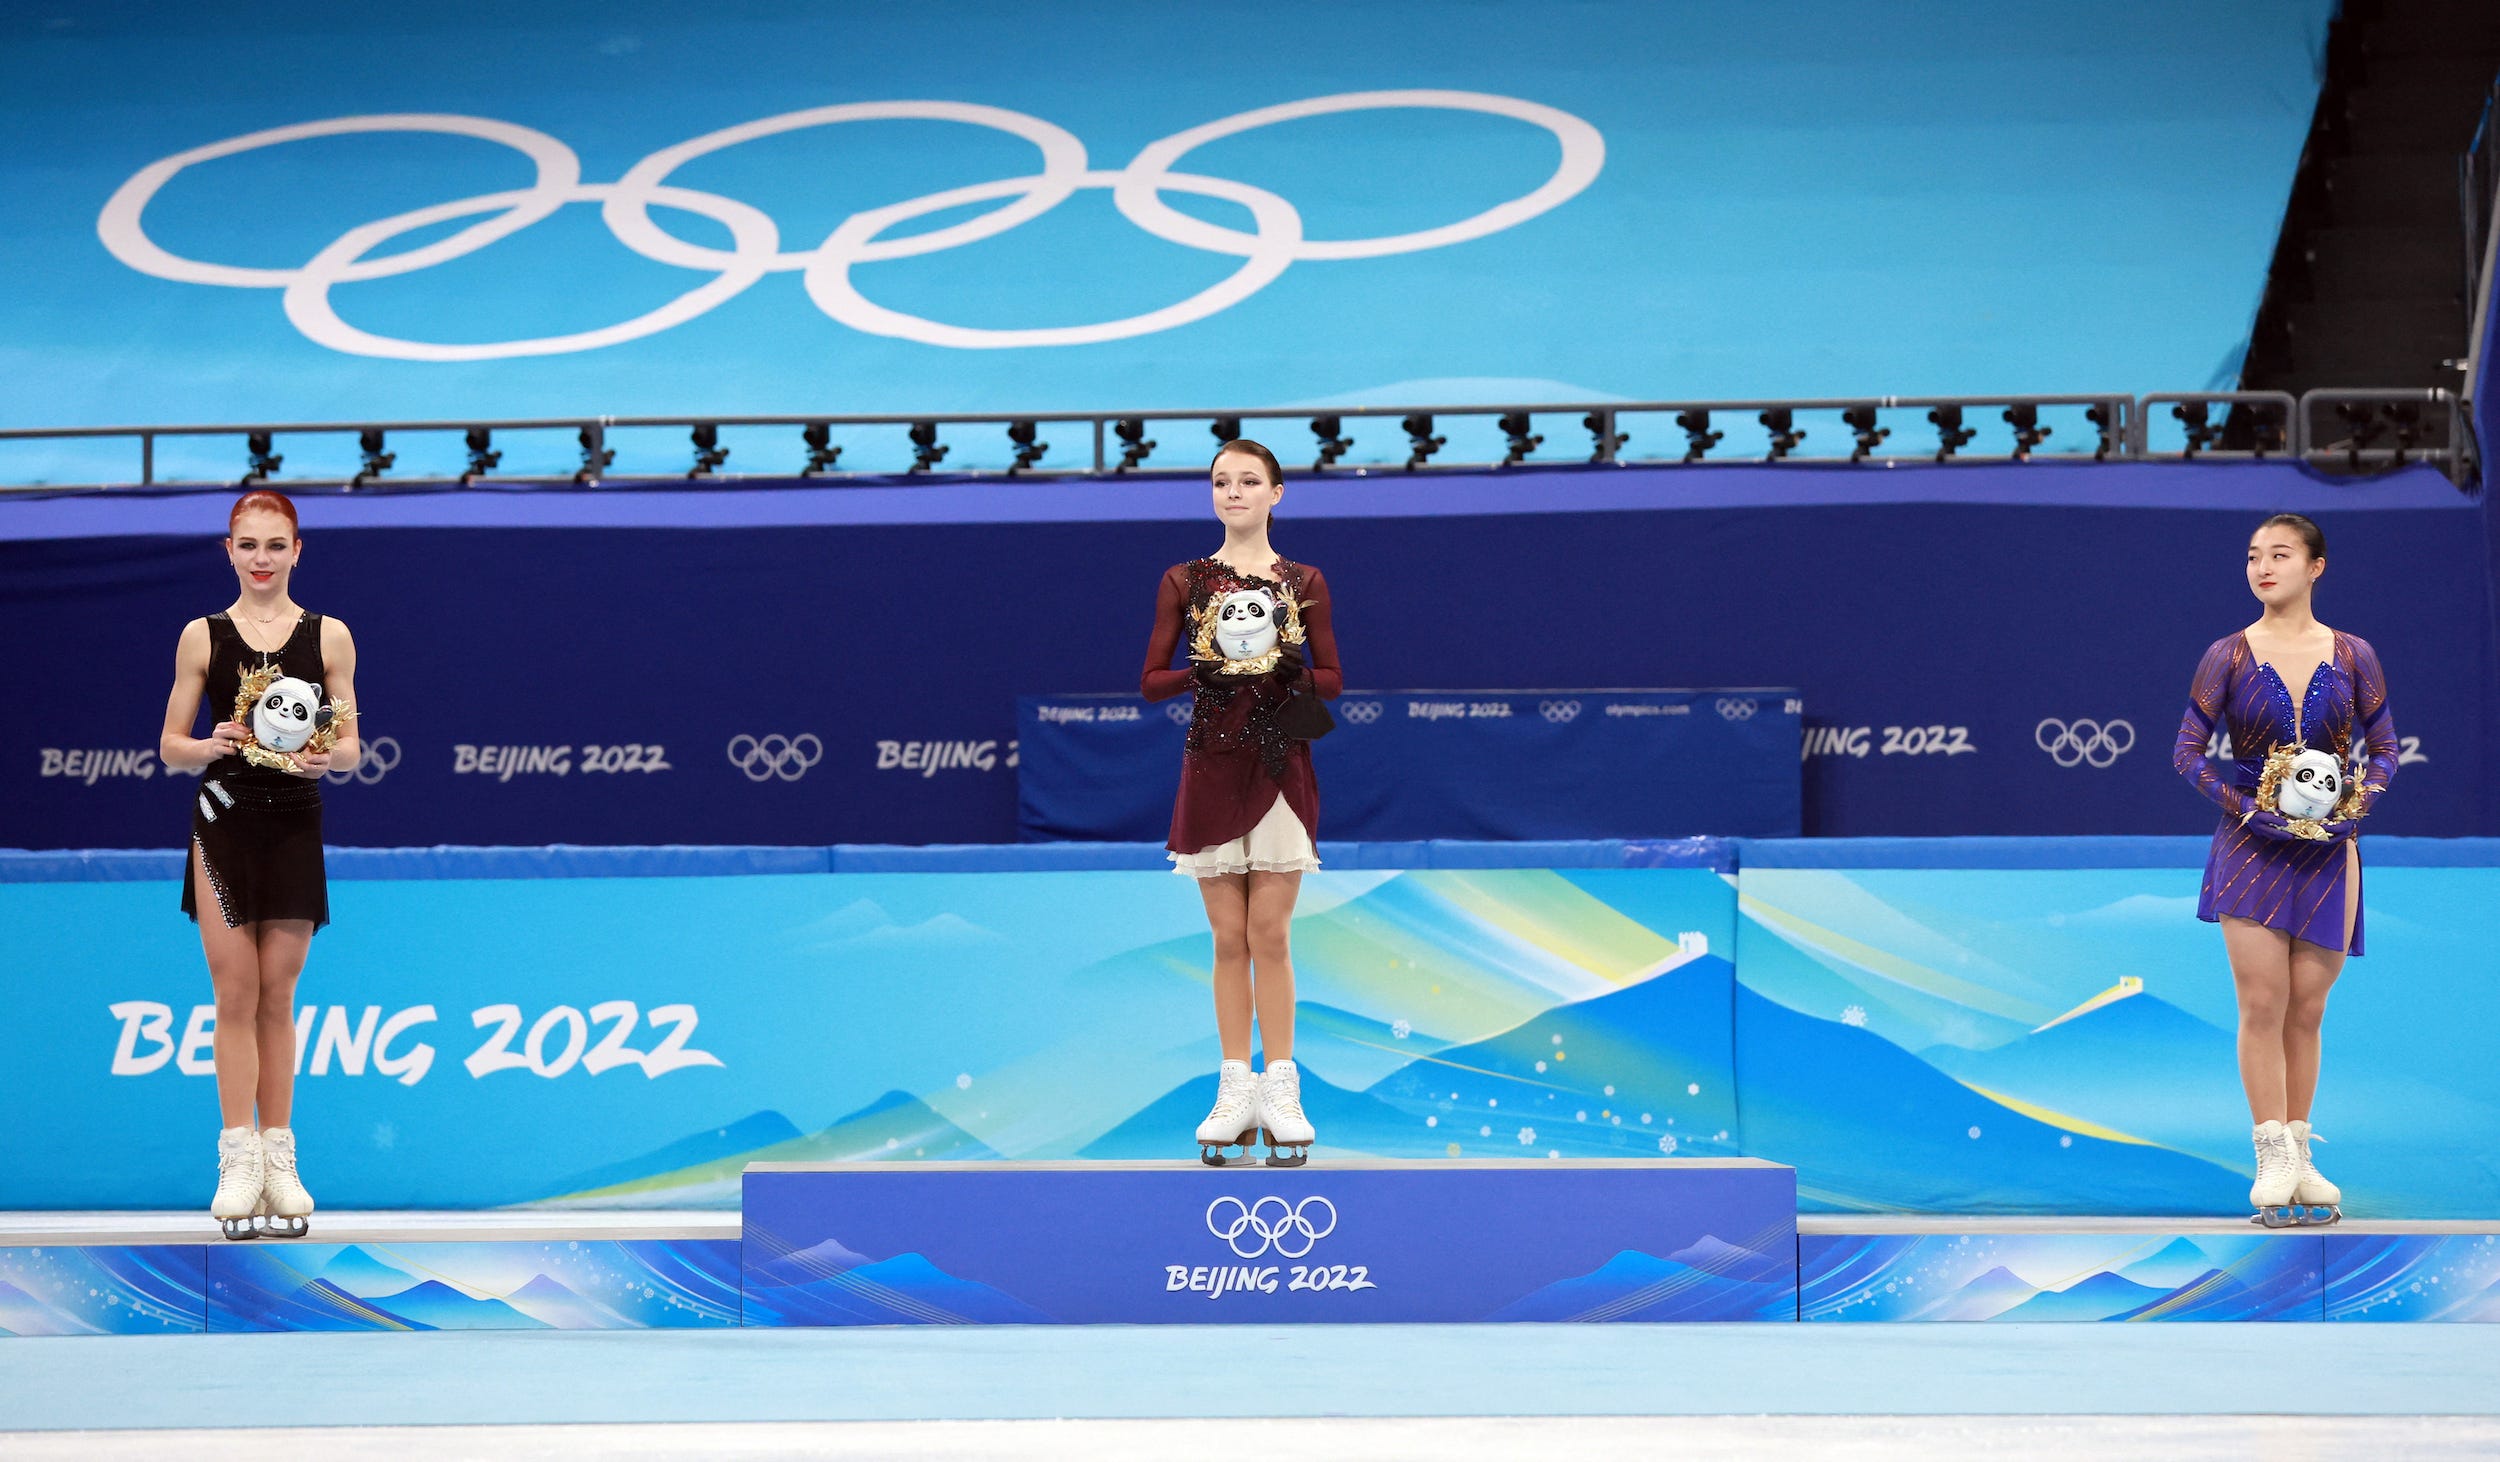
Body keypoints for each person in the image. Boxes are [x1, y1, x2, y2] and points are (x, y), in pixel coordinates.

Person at [2172, 512, 2395, 1226]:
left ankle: (2301, 1153)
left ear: (2315, 566)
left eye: (2280, 555)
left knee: (2307, 1007)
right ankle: (2269, 1151)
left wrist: (2356, 808)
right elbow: (2185, 753)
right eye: (2252, 557)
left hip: (2333, 850)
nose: (2263, 567)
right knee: (2262, 1004)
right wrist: (2247, 810)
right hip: (2250, 846)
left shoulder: (2355, 654)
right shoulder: (2227, 656)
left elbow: (2384, 749)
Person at [158, 489, 361, 1238]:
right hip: (222, 827)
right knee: (234, 989)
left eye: (276, 545)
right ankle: (236, 1155)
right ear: (229, 551)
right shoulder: (202, 636)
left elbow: (350, 746)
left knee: (279, 993)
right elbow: (170, 745)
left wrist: (323, 761)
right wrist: (205, 746)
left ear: (297, 550)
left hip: (293, 828)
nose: (262, 559)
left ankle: (280, 1157)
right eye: (249, 545)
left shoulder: (330, 636)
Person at [1140, 440, 1342, 1166]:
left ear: (1277, 493)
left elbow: (1334, 679)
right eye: (1222, 482)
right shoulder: (1185, 580)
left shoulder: (1304, 579)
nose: (1233, 492)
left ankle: (1281, 1088)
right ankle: (1234, 1088)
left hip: (1281, 767)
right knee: (1228, 939)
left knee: (1271, 937)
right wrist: (1214, 664)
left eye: (1248, 481)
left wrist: (1285, 664)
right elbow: (1151, 681)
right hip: (1212, 770)